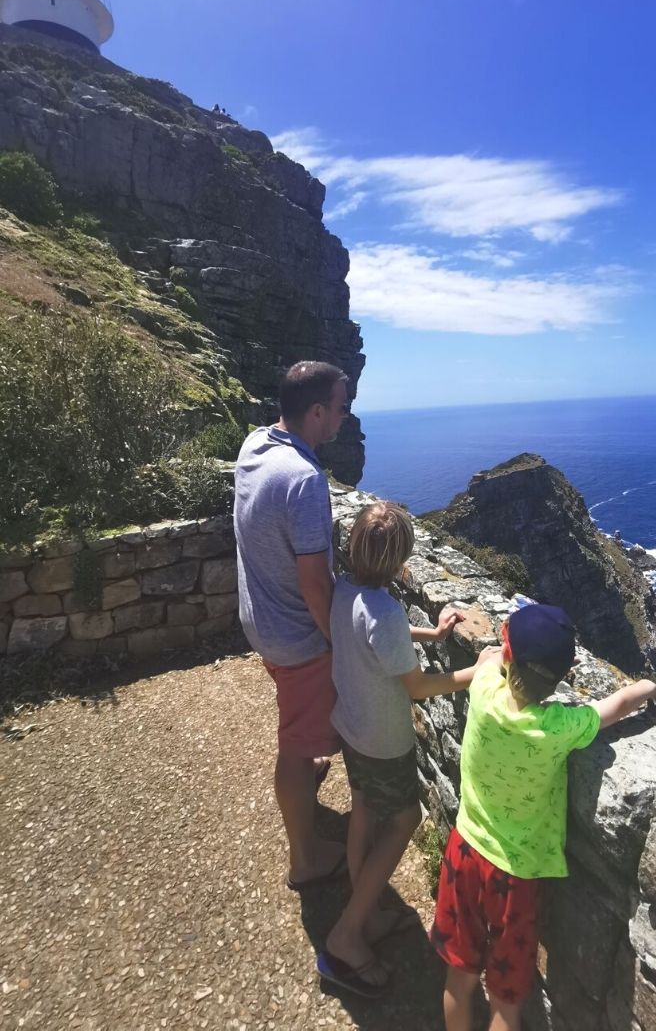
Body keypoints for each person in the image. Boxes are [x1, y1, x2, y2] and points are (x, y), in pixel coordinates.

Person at [430, 601, 656, 1031]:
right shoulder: (559, 726)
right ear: (563, 676)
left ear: (508, 657)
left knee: (460, 975)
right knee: (506, 998)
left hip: (464, 849)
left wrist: (492, 655)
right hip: (516, 874)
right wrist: (648, 689)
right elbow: (614, 708)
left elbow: (488, 662)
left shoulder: (484, 687)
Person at [318, 501, 503, 999]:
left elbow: (380, 639)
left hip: (352, 728)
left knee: (363, 809)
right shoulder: (385, 611)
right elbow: (417, 686)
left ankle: (367, 909)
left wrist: (433, 631)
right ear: (401, 559)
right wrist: (478, 671)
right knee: (403, 820)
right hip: (383, 741)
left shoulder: (343, 589)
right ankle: (347, 934)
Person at [234, 360, 351, 890]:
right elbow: (314, 583)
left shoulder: (257, 444)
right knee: (296, 743)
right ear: (318, 411)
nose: (346, 419)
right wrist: (339, 644)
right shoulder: (305, 479)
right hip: (296, 635)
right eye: (342, 408)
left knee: (298, 721)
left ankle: (307, 771)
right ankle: (305, 861)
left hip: (258, 617)